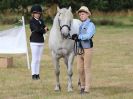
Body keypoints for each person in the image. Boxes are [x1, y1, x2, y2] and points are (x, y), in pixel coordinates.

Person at [72, 6, 96, 94]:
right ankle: (82, 85)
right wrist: (74, 37)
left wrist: (79, 37)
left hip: (87, 48)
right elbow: (79, 36)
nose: (81, 16)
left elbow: (88, 35)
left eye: (83, 14)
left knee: (87, 68)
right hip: (80, 49)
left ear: (87, 14)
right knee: (79, 69)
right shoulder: (81, 25)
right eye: (80, 14)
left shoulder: (91, 25)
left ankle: (86, 88)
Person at [29, 4, 48, 80]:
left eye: (39, 13)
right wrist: (44, 30)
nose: (38, 14)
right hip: (34, 41)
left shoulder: (41, 21)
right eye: (36, 13)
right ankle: (33, 74)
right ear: (33, 14)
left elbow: (46, 27)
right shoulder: (32, 21)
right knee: (34, 59)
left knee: (39, 59)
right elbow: (36, 29)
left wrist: (44, 29)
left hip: (41, 41)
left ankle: (37, 74)